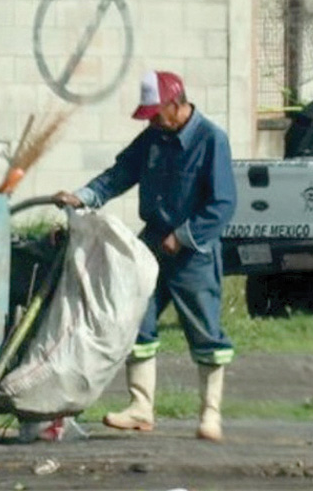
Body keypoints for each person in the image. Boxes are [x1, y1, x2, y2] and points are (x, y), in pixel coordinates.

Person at [54, 70, 237, 441]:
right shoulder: (153, 138)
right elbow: (121, 173)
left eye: (156, 114)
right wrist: (84, 196)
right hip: (151, 244)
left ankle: (210, 414)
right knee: (137, 319)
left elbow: (223, 204)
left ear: (176, 104)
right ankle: (141, 407)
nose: (152, 121)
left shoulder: (211, 140)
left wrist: (183, 237)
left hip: (193, 251)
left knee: (204, 329)